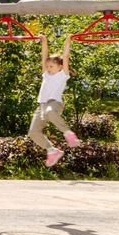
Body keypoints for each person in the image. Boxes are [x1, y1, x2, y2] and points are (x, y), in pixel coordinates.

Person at [30, 38, 81, 167]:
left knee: (50, 112)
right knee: (33, 133)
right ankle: (52, 151)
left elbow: (66, 56)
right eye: (47, 66)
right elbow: (44, 55)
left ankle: (68, 133)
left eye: (51, 66)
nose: (48, 68)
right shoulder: (46, 74)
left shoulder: (63, 75)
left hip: (55, 103)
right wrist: (44, 41)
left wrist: (68, 41)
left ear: (60, 67)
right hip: (42, 106)